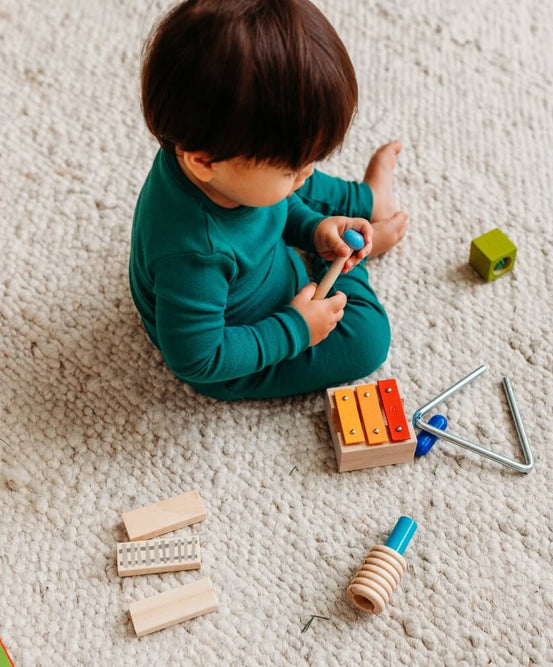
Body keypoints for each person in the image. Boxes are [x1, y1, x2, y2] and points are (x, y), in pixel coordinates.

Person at [129, 0, 408, 400]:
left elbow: (273, 205)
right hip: (238, 351)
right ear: (204, 161)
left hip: (262, 256)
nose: (305, 172)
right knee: (367, 338)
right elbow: (198, 359)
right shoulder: (195, 256)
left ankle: (364, 201)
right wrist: (295, 329)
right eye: (291, 167)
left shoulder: (216, 158)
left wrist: (313, 228)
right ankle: (346, 264)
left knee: (290, 188)